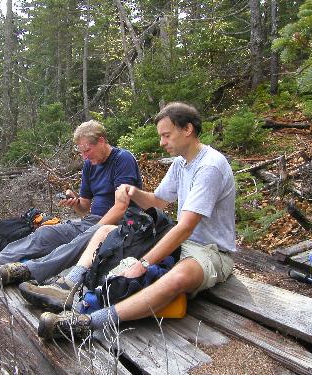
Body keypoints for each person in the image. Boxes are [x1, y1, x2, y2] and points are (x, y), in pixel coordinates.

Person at [22, 102, 235, 340]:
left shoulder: (210, 166)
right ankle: (67, 286)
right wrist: (133, 192)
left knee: (180, 276)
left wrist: (143, 264)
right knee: (104, 231)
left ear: (187, 129)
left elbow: (186, 227)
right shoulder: (180, 163)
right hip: (177, 240)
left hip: (209, 250)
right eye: (161, 136)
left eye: (166, 135)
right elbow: (159, 201)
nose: (162, 142)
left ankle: (88, 322)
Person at [0, 120, 143, 289]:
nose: (85, 157)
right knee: (45, 233)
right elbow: (84, 208)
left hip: (120, 226)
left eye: (87, 150)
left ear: (101, 141)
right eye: (81, 152)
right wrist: (74, 203)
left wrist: (95, 230)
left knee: (78, 242)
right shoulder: (89, 166)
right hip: (92, 221)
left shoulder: (122, 159)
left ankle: (23, 271)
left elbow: (121, 207)